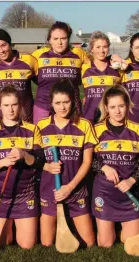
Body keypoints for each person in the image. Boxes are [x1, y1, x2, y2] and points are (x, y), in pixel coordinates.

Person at [0, 85, 43, 249]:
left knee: (27, 244)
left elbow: (40, 161)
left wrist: (24, 155)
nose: (11, 109)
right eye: (6, 105)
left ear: (20, 105)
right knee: (1, 243)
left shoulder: (31, 130)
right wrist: (2, 162)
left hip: (25, 193)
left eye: (14, 104)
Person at [37, 79, 97, 248]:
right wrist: (46, 166)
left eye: (66, 102)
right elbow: (35, 159)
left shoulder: (84, 125)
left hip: (75, 189)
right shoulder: (41, 126)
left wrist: (69, 187)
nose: (62, 107)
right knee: (47, 243)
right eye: (57, 103)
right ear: (51, 103)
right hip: (50, 190)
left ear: (73, 101)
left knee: (89, 243)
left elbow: (87, 161)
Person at [92, 85, 139, 247]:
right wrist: (104, 167)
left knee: (130, 243)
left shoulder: (138, 130)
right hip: (105, 192)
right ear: (106, 108)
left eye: (121, 106)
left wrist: (131, 180)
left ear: (128, 106)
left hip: (129, 193)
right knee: (105, 244)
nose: (117, 111)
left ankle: (119, 227)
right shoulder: (96, 131)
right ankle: (108, 229)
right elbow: (88, 161)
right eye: (113, 107)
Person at [32, 21, 88, 123]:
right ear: (49, 40)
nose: (59, 42)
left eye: (63, 38)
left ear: (68, 39)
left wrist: (112, 57)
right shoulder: (38, 55)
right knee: (41, 138)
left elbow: (96, 64)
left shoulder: (79, 54)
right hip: (43, 107)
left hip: (71, 108)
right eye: (55, 39)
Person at [0, 29, 38, 124]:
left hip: (24, 117)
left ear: (10, 44)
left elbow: (43, 84)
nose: (1, 51)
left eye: (3, 45)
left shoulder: (28, 60)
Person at [81, 31, 126, 123]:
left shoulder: (116, 67)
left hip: (111, 119)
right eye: (98, 47)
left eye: (105, 47)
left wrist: (116, 56)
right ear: (92, 49)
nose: (101, 50)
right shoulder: (84, 67)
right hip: (89, 117)